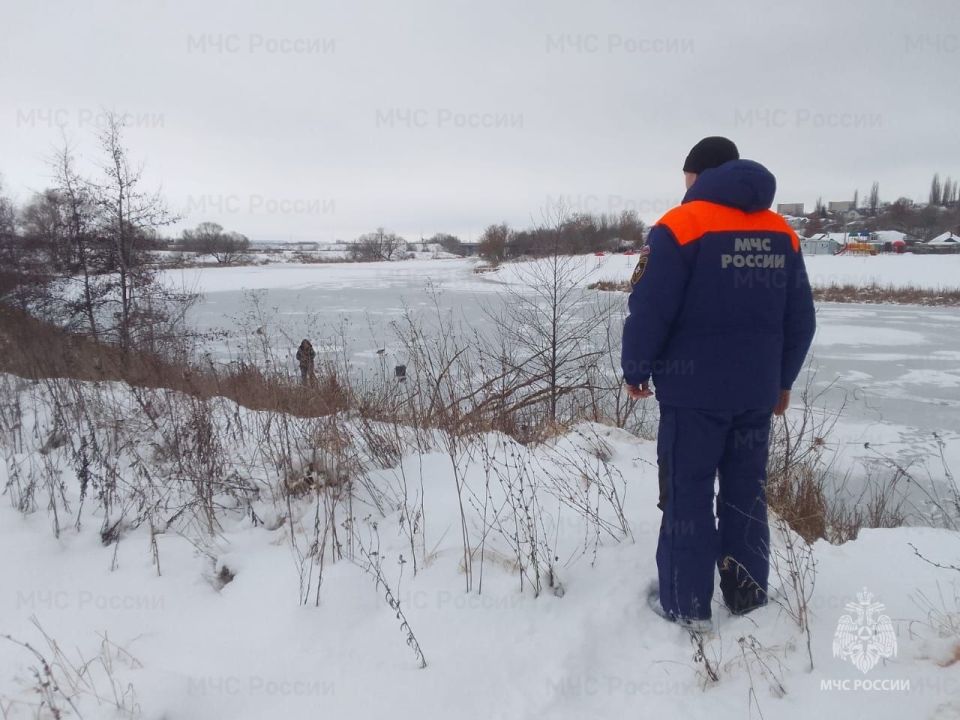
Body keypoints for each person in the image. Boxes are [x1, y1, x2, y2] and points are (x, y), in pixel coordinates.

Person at [621, 137, 816, 629]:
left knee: (687, 493)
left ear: (698, 175)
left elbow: (650, 309)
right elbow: (802, 320)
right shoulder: (782, 233)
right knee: (745, 491)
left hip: (694, 398)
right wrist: (783, 380)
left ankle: (686, 605)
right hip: (755, 394)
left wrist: (636, 368)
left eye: (686, 175)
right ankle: (746, 597)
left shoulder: (679, 226)